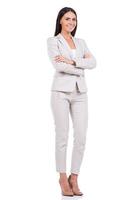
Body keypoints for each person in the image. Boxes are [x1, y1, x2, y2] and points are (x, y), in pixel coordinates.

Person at [47, 7, 96, 196]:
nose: (71, 22)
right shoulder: (53, 41)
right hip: (60, 92)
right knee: (62, 136)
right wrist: (80, 67)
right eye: (67, 19)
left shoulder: (81, 42)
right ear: (60, 20)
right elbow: (57, 65)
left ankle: (74, 177)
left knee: (81, 137)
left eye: (74, 19)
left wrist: (73, 62)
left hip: (80, 93)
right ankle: (62, 177)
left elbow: (94, 62)